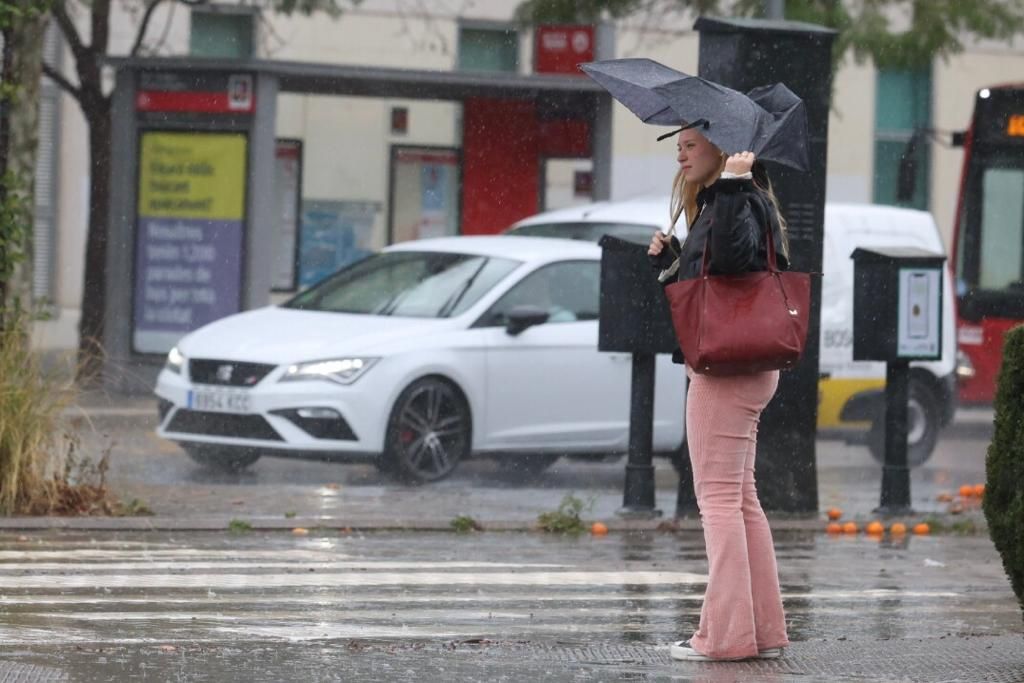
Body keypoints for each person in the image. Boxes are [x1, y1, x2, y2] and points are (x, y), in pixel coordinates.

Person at [648, 123, 791, 662]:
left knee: (719, 503)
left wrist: (731, 185)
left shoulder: (738, 196)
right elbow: (725, 271)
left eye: (691, 145)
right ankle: (763, 628)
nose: (682, 155)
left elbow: (732, 261)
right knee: (741, 499)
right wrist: (672, 259)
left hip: (726, 372)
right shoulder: (733, 201)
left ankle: (725, 636)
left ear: (721, 148)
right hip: (747, 365)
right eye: (679, 147)